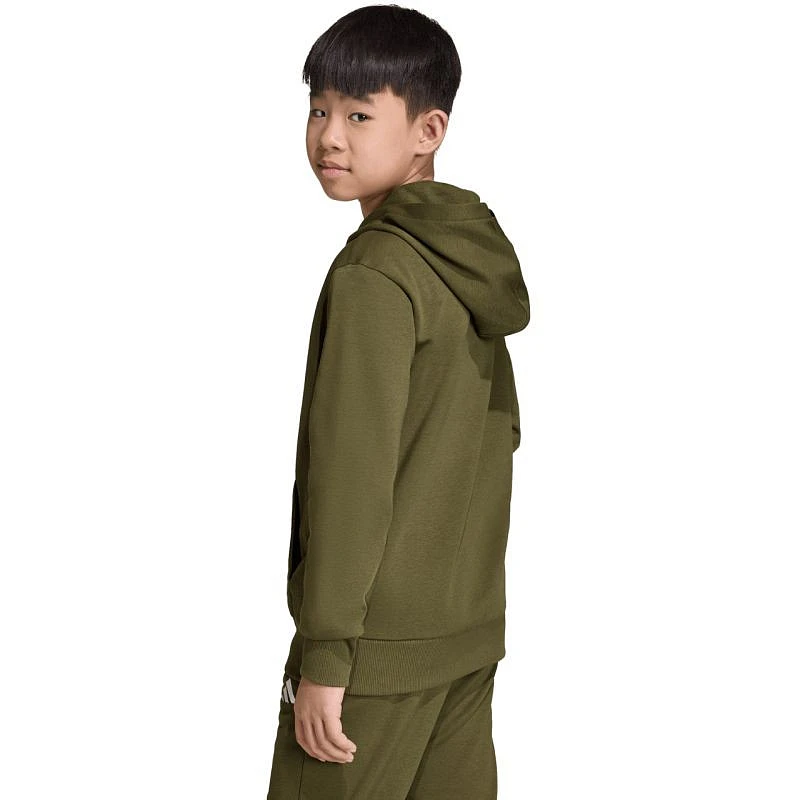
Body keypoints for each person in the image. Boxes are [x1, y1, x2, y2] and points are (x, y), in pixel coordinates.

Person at [266, 5, 530, 798]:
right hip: (465, 635)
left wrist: (327, 657)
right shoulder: (468, 265)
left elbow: (353, 480)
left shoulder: (376, 276)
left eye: (358, 114)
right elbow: (498, 438)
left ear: (428, 130)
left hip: (371, 656)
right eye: (318, 108)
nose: (329, 136)